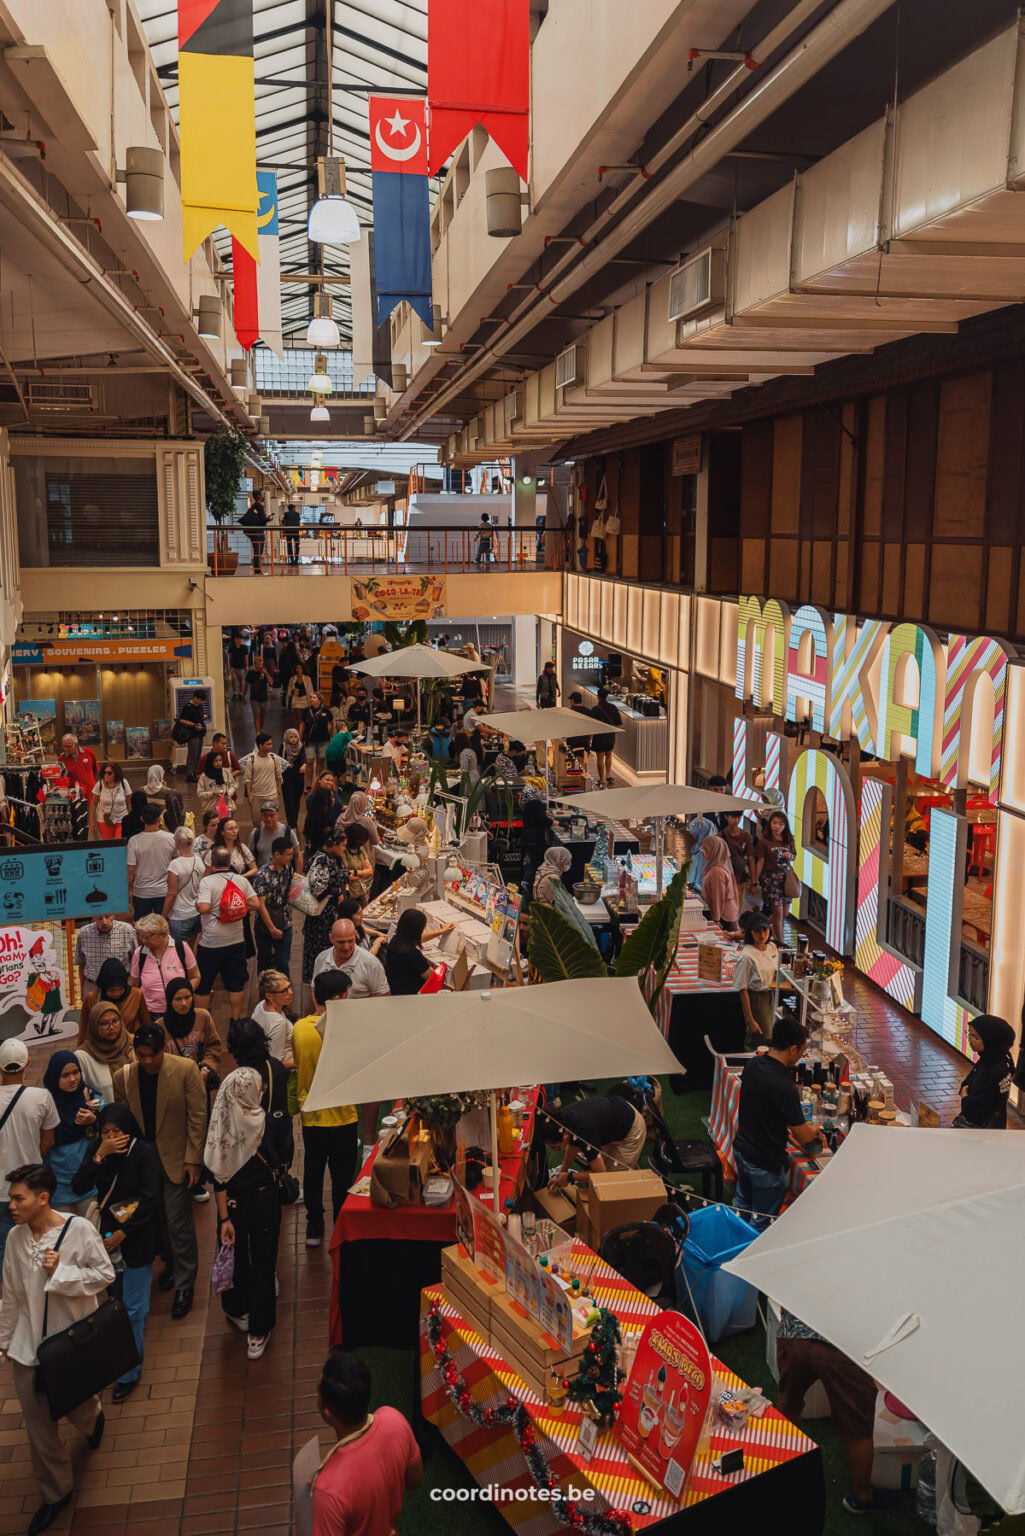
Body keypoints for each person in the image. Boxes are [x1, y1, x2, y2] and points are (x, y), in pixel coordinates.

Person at [0, 1163, 112, 1535]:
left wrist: (61, 1272)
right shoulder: (16, 1239)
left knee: (78, 1407)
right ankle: (56, 1493)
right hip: (27, 1349)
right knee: (39, 1429)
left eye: (19, 1198)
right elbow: (11, 1296)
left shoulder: (78, 1230)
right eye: (11, 1198)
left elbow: (104, 1275)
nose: (11, 1205)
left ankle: (94, 1417)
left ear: (43, 1198)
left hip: (69, 1346)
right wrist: (4, 1342)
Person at [208, 1019, 293, 1360]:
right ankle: (260, 1330)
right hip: (265, 1198)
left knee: (237, 1257)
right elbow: (284, 1143)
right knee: (264, 1261)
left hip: (231, 1204)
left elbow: (215, 1170)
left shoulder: (223, 1127)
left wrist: (223, 1217)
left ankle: (237, 1309)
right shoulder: (267, 1125)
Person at [71, 1103, 161, 1404]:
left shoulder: (144, 1152)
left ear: (128, 1130)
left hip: (136, 1238)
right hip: (108, 1239)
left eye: (117, 1132)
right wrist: (99, 1155)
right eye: (105, 1132)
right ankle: (124, 1353)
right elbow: (79, 1184)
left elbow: (151, 1200)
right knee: (117, 1304)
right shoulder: (98, 1152)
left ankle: (128, 1373)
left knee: (135, 1308)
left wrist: (126, 1232)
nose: (111, 1138)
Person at [114, 1022, 206, 1317]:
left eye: (152, 1055)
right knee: (157, 1220)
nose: (148, 1061)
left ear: (163, 1049)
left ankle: (185, 1283)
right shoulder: (124, 1077)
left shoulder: (184, 1070)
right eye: (142, 1056)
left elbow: (197, 1116)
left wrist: (194, 1158)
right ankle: (170, 1262)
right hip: (143, 1161)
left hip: (177, 1157)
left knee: (179, 1221)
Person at [776, 1309, 898, 1516]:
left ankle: (783, 1473)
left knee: (788, 1404)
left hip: (793, 1333)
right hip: (841, 1344)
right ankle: (862, 1496)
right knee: (858, 1426)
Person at [311, 1351, 423, 1535]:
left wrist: (327, 1491)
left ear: (327, 1414)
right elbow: (415, 1477)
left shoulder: (329, 1492)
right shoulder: (394, 1420)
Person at [733, 1015, 820, 1230]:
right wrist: (815, 1130)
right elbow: (803, 1136)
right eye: (801, 1051)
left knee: (741, 1209)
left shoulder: (753, 1065)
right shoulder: (784, 1086)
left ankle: (732, 1249)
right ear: (792, 1049)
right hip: (765, 1164)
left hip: (742, 1150)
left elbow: (763, 1110)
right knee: (762, 1224)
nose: (801, 1056)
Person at [293, 970, 357, 1248]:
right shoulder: (347, 1032)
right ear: (339, 998)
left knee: (313, 1169)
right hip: (344, 1115)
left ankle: (314, 1225)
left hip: (312, 1115)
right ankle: (341, 1225)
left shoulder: (299, 1029)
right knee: (342, 1175)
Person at [0, 1039, 60, 1264]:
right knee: (35, 1245)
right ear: (28, 1063)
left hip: (0, 1191)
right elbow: (48, 1141)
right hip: (31, 1187)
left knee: (4, 1252)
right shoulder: (42, 1097)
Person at [194, 847, 259, 1022]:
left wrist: (198, 906)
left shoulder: (207, 882)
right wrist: (234, 905)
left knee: (204, 985)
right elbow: (255, 904)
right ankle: (236, 1020)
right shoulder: (240, 880)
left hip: (211, 943)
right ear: (229, 863)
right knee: (236, 984)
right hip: (237, 940)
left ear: (212, 863)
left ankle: (203, 1021)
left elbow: (205, 908)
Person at [543, 1093, 647, 1186]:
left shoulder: (584, 1133)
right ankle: (628, 1166)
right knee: (605, 1168)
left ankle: (638, 1185)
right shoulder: (563, 1120)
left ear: (564, 1136)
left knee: (610, 1183)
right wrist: (562, 1174)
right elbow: (573, 1145)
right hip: (615, 1120)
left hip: (631, 1131)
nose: (557, 1149)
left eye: (556, 1147)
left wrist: (570, 1177)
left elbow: (601, 1175)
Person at [42, 1053, 100, 1215]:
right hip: (58, 1184)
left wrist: (94, 1119)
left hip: (87, 1180)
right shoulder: (45, 1104)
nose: (73, 1079)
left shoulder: (89, 1096)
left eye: (76, 1072)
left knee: (91, 1233)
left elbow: (110, 1124)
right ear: (55, 1076)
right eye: (65, 1075)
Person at [130, 913, 200, 1019]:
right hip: (149, 1013)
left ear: (162, 934)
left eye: (147, 937)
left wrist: (182, 996)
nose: (143, 941)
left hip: (179, 1010)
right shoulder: (139, 954)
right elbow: (133, 984)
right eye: (141, 936)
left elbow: (195, 977)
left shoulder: (181, 948)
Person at [158, 978, 222, 1089]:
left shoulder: (203, 1017)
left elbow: (214, 1047)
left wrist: (206, 1069)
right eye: (178, 999)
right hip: (173, 1086)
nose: (184, 1003)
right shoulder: (160, 1027)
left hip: (201, 1081)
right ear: (169, 1000)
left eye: (187, 997)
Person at [955, 1015, 1016, 1128]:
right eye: (969, 1034)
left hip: (982, 1131)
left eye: (976, 1037)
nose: (970, 1039)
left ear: (990, 1040)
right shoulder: (1000, 1057)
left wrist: (964, 1094)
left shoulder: (992, 1069)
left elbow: (970, 1112)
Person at [733, 911, 779, 1048]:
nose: (762, 935)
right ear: (751, 933)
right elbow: (742, 989)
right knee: (762, 1037)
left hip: (770, 995)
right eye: (757, 931)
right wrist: (750, 1020)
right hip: (756, 999)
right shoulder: (747, 956)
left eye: (764, 930)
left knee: (770, 1035)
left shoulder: (772, 948)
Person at [252, 834, 297, 974]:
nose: (291, 858)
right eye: (288, 855)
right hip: (265, 926)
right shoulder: (262, 874)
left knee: (283, 962)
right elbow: (260, 905)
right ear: (277, 854)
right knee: (264, 962)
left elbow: (289, 891)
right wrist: (271, 928)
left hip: (285, 922)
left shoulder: (288, 869)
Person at [313, 918, 389, 999]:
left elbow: (383, 995)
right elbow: (314, 989)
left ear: (355, 937)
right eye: (341, 942)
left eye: (350, 941)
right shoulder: (322, 958)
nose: (346, 947)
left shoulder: (371, 963)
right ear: (331, 938)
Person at [74, 1001, 135, 1103]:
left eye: (115, 1021)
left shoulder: (132, 1044)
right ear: (94, 1025)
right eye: (104, 1023)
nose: (111, 1027)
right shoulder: (83, 1056)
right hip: (104, 1116)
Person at [383, 909, 452, 996]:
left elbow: (418, 938)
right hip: (411, 995)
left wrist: (441, 932)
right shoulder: (413, 955)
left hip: (397, 990)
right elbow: (432, 977)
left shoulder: (395, 941)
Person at [126, 801, 176, 920]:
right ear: (160, 818)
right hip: (164, 892)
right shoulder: (171, 838)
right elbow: (176, 864)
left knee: (142, 929)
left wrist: (127, 890)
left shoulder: (134, 841)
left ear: (142, 819)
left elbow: (131, 869)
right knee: (163, 929)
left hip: (141, 893)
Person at [753, 810, 798, 944]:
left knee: (784, 913)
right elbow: (760, 861)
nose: (777, 826)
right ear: (770, 824)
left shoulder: (788, 840)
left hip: (785, 878)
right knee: (777, 912)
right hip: (770, 878)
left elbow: (794, 855)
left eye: (781, 824)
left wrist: (790, 856)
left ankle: (762, 926)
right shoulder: (764, 842)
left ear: (785, 826)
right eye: (774, 823)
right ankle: (780, 942)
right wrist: (755, 881)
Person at [74, 913, 136, 1000]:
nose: (104, 922)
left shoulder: (128, 930)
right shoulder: (84, 933)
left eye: (107, 917)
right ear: (94, 917)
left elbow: (136, 961)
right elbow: (81, 964)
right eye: (99, 918)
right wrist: (82, 990)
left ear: (114, 915)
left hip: (121, 987)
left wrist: (133, 987)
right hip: (93, 986)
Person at [162, 825, 207, 944]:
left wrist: (163, 916)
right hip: (196, 913)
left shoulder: (175, 865)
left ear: (177, 842)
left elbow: (171, 894)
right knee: (190, 951)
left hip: (180, 916)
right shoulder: (198, 860)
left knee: (178, 953)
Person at [80, 958, 143, 1037]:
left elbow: (145, 1023)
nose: (117, 994)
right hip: (100, 1045)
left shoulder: (136, 995)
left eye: (120, 989)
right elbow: (84, 1028)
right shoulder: (92, 998)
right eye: (112, 990)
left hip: (129, 1044)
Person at [252, 970, 295, 1064]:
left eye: (289, 987)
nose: (291, 992)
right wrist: (302, 1061)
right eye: (284, 991)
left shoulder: (261, 1005)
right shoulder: (278, 1023)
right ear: (269, 996)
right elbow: (276, 1062)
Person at [242, 733, 285, 822]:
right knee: (256, 820)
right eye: (268, 744)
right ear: (260, 745)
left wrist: (279, 790)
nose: (271, 746)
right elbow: (247, 779)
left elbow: (279, 775)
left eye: (271, 744)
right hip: (257, 796)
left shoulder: (275, 758)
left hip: (272, 795)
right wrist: (249, 795)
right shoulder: (251, 760)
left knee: (273, 820)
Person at [701, 834, 740, 930]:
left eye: (705, 850)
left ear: (714, 852)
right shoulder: (720, 866)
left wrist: (716, 919)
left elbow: (718, 897)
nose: (702, 853)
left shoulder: (717, 872)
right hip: (725, 914)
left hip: (723, 917)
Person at [250, 800, 302, 870]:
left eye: (272, 815)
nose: (268, 819)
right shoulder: (256, 833)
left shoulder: (288, 832)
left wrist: (298, 875)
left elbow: (298, 855)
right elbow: (251, 858)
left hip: (285, 875)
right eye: (265, 816)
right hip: (263, 877)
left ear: (277, 815)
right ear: (262, 816)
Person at [305, 775, 344, 858]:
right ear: (326, 800)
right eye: (332, 797)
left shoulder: (316, 814)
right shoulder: (321, 819)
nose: (334, 799)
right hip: (321, 854)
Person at [722, 810, 755, 905]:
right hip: (725, 879)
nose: (736, 820)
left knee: (737, 906)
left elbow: (751, 858)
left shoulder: (746, 836)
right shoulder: (720, 836)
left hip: (740, 877)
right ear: (726, 816)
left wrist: (753, 883)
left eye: (738, 817)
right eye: (733, 817)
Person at [589, 686, 621, 787]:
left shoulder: (595, 709)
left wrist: (590, 738)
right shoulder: (613, 707)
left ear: (598, 697)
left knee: (600, 757)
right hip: (610, 736)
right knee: (609, 754)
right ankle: (608, 775)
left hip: (599, 736)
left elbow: (591, 726)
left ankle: (602, 779)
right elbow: (619, 723)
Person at [89, 761, 130, 839]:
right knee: (109, 844)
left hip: (122, 818)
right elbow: (93, 804)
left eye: (109, 773)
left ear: (116, 774)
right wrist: (91, 821)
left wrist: (132, 818)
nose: (106, 775)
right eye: (104, 773)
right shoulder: (99, 784)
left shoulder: (123, 783)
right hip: (104, 820)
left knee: (119, 842)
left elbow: (129, 802)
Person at [209, 813, 258, 878]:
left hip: (239, 883)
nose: (235, 831)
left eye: (236, 828)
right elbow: (208, 872)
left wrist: (241, 877)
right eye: (230, 829)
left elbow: (254, 869)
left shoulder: (242, 848)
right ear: (222, 832)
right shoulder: (215, 850)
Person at [303, 694, 336, 787]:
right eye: (311, 697)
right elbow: (302, 724)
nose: (311, 699)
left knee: (320, 762)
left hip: (323, 740)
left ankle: (318, 782)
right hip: (310, 740)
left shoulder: (325, 711)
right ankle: (308, 784)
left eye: (314, 697)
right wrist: (300, 735)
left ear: (319, 700)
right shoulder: (306, 711)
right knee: (309, 762)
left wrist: (333, 734)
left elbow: (333, 721)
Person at [175, 690, 208, 782]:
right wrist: (193, 725)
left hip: (200, 732)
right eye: (200, 700)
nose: (201, 702)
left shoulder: (200, 706)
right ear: (195, 698)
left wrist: (203, 716)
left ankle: (195, 772)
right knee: (192, 754)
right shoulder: (188, 707)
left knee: (198, 754)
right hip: (192, 733)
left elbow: (199, 716)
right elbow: (181, 720)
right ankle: (189, 774)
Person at [197, 749, 238, 820]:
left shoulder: (226, 772)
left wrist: (229, 793)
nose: (219, 763)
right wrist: (212, 793)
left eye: (220, 760)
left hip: (226, 807)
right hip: (211, 810)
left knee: (226, 826)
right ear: (210, 762)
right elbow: (199, 793)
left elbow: (233, 785)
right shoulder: (204, 776)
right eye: (216, 761)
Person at [686, 811, 720, 896]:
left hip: (703, 893)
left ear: (701, 832)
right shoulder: (699, 847)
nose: (692, 834)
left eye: (694, 832)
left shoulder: (706, 850)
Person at [342, 823, 374, 903]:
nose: (362, 843)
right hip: (349, 893)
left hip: (361, 890)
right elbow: (347, 876)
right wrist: (363, 874)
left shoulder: (360, 849)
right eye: (360, 840)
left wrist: (355, 872)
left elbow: (370, 871)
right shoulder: (343, 851)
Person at [59, 732, 98, 798]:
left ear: (76, 744)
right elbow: (61, 780)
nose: (66, 749)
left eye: (68, 746)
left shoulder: (89, 753)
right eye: (64, 746)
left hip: (90, 793)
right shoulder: (61, 760)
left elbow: (95, 770)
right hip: (74, 796)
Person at [281, 728, 306, 828]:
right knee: (288, 800)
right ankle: (292, 825)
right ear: (287, 738)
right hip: (286, 776)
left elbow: (303, 757)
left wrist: (304, 764)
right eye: (291, 737)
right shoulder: (283, 747)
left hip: (298, 776)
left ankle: (293, 821)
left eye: (295, 736)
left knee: (296, 800)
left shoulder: (300, 746)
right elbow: (279, 759)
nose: (293, 739)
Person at [240, 491, 269, 574]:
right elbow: (263, 519)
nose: (263, 496)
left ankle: (257, 569)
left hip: (253, 531)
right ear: (259, 496)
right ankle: (257, 570)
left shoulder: (253, 506)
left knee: (256, 550)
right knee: (258, 551)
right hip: (258, 532)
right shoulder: (259, 506)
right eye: (262, 494)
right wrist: (268, 519)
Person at [243, 655, 271, 733]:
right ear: (255, 664)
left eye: (261, 664)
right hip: (254, 699)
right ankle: (258, 734)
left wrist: (267, 674)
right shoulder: (250, 673)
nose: (260, 666)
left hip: (264, 698)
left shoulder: (265, 672)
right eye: (258, 664)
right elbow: (246, 685)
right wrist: (243, 696)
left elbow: (271, 682)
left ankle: (261, 729)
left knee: (262, 716)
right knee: (257, 716)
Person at [287, 662, 316, 727]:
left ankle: (304, 732)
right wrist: (292, 691)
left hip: (306, 700)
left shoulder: (307, 679)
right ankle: (300, 734)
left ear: (303, 669)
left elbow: (311, 690)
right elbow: (289, 690)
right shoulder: (292, 679)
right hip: (297, 700)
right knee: (300, 720)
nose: (298, 670)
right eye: (297, 668)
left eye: (300, 668)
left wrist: (312, 701)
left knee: (306, 720)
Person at [227, 633, 250, 700]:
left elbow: (246, 657)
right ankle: (234, 692)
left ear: (241, 639)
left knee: (241, 680)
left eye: (239, 638)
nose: (238, 640)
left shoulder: (244, 647)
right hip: (233, 666)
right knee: (233, 680)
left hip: (241, 667)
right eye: (236, 638)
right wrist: (228, 666)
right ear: (234, 639)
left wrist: (247, 666)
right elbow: (229, 657)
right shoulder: (232, 646)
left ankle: (240, 693)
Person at [282, 501, 301, 566]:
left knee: (289, 546)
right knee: (297, 546)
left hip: (288, 532)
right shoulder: (297, 514)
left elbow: (284, 522)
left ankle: (292, 560)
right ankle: (296, 560)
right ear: (293, 508)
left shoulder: (286, 514)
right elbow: (298, 522)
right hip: (296, 531)